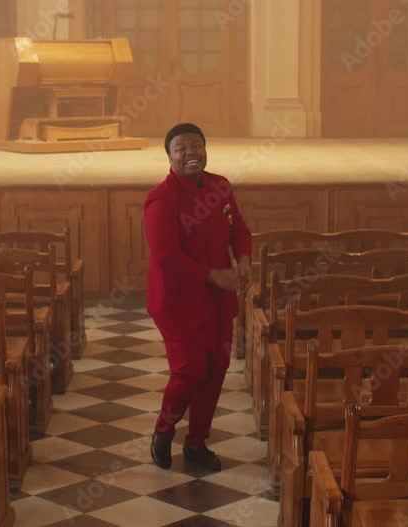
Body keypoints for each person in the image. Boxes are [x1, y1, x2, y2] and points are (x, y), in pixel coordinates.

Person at [144, 123, 252, 471]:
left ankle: (197, 442)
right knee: (190, 371)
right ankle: (164, 430)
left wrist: (244, 259)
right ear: (170, 156)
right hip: (178, 301)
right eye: (182, 148)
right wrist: (214, 275)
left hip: (218, 299)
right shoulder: (162, 198)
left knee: (216, 367)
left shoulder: (220, 185)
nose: (192, 152)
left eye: (197, 146)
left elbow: (240, 230)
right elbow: (167, 258)